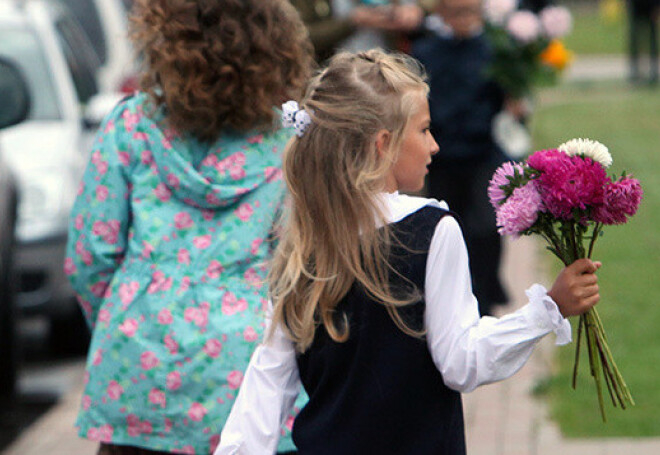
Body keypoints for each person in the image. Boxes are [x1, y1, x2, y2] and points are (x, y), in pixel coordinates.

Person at [213, 49, 601, 454]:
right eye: (423, 130)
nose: (434, 146)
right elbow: (462, 361)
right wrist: (547, 309)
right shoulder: (432, 231)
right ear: (383, 144)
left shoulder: (303, 240)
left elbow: (266, 387)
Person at [64, 0, 313, 453]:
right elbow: (307, 266)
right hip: (249, 374)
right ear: (274, 45)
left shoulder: (131, 125)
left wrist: (125, 317)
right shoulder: (291, 143)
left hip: (138, 369)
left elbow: (89, 256)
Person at [412, 0, 518, 316]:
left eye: (470, 10)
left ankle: (486, 298)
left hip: (484, 152)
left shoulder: (496, 50)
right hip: (442, 157)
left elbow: (510, 99)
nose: (464, 18)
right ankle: (459, 302)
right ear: (441, 12)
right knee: (449, 228)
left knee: (486, 227)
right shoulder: (425, 53)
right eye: (456, 11)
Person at [285, 0, 431, 62]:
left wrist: (417, 9)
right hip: (332, 74)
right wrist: (352, 22)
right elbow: (299, 38)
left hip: (390, 64)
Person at [621, 0, 660, 85]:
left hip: (650, 3)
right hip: (635, 2)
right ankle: (634, 70)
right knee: (634, 38)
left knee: (652, 38)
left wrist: (656, 4)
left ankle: (653, 70)